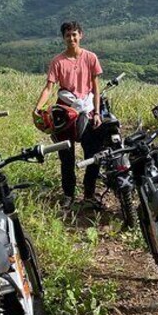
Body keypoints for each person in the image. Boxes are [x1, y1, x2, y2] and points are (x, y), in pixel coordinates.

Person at [33, 21, 103, 207]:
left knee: (93, 154)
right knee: (66, 156)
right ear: (63, 38)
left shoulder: (90, 58)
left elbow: (96, 89)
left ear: (81, 35)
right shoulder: (58, 61)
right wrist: (37, 108)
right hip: (64, 112)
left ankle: (89, 194)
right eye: (67, 35)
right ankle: (69, 195)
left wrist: (97, 112)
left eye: (74, 34)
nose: (71, 38)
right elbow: (49, 87)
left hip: (87, 111)